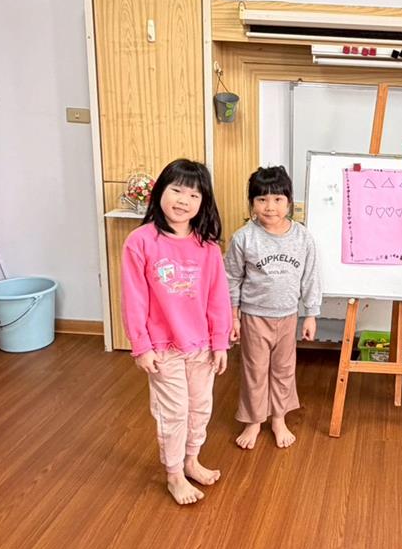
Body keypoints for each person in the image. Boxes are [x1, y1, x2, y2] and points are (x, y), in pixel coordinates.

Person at [121, 159, 231, 504]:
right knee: (173, 411)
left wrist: (220, 342)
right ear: (160, 192)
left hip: (201, 346)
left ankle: (191, 460)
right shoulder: (140, 241)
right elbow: (133, 298)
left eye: (194, 195)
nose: (184, 200)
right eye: (177, 190)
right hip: (162, 347)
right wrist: (141, 346)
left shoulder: (207, 247)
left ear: (203, 202)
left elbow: (218, 298)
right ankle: (173, 474)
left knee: (200, 407)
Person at [225, 166, 322, 449]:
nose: (270, 207)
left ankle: (279, 418)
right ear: (252, 203)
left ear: (289, 202)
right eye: (262, 199)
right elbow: (231, 277)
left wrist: (311, 314)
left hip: (288, 316)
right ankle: (254, 420)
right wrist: (233, 315)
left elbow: (311, 277)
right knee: (254, 371)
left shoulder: (302, 237)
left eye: (278, 199)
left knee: (283, 370)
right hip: (254, 316)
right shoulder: (243, 237)